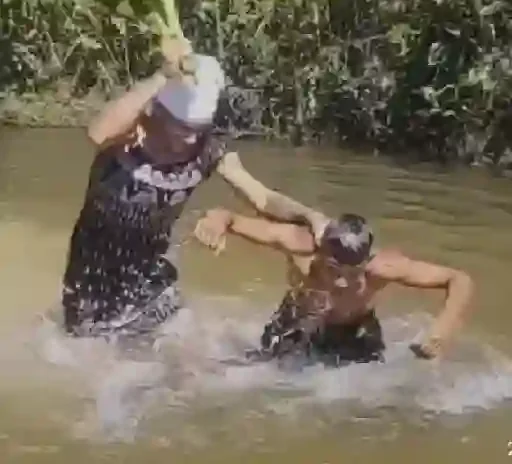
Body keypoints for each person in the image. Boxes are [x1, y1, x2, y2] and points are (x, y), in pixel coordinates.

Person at [60, 46, 329, 343]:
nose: (190, 138)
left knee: (170, 354)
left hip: (153, 275)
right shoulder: (129, 137)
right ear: (157, 112)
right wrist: (162, 76)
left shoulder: (208, 150)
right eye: (182, 128)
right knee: (87, 351)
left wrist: (310, 214)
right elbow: (97, 133)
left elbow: (263, 198)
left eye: (199, 128)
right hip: (92, 273)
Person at [194, 207, 475, 367]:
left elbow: (460, 279)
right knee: (264, 377)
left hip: (355, 329)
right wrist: (215, 222)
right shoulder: (298, 243)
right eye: (332, 269)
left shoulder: (383, 267)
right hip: (297, 321)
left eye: (353, 273)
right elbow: (229, 217)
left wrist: (444, 327)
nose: (341, 282)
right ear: (319, 253)